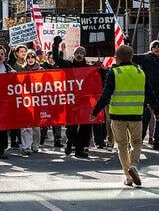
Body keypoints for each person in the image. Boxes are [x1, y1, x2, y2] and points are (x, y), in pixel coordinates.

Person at [91, 45, 159, 187]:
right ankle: (134, 165)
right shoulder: (140, 72)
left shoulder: (115, 72)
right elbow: (150, 95)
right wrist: (157, 112)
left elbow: (106, 95)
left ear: (118, 57)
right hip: (136, 115)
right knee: (137, 143)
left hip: (117, 115)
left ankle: (128, 177)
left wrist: (95, 111)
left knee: (122, 145)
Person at [53, 36, 92, 158]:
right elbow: (57, 59)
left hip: (85, 101)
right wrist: (56, 46)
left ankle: (77, 146)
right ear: (74, 55)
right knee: (71, 127)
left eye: (81, 53)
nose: (79, 55)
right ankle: (76, 146)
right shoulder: (68, 65)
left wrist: (101, 70)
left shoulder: (89, 68)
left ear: (84, 55)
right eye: (77, 53)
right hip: (71, 101)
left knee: (85, 126)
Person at [132, 40, 159, 150]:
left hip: (158, 94)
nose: (157, 48)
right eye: (155, 47)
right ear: (151, 48)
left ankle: (157, 142)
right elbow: (129, 56)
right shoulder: (145, 57)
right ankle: (138, 142)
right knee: (145, 118)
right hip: (147, 93)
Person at [19, 50, 42, 155]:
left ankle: (35, 144)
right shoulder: (22, 70)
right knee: (25, 125)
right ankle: (26, 146)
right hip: (25, 100)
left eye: (32, 57)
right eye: (28, 57)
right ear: (26, 59)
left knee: (36, 126)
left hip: (37, 100)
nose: (30, 59)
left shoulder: (41, 69)